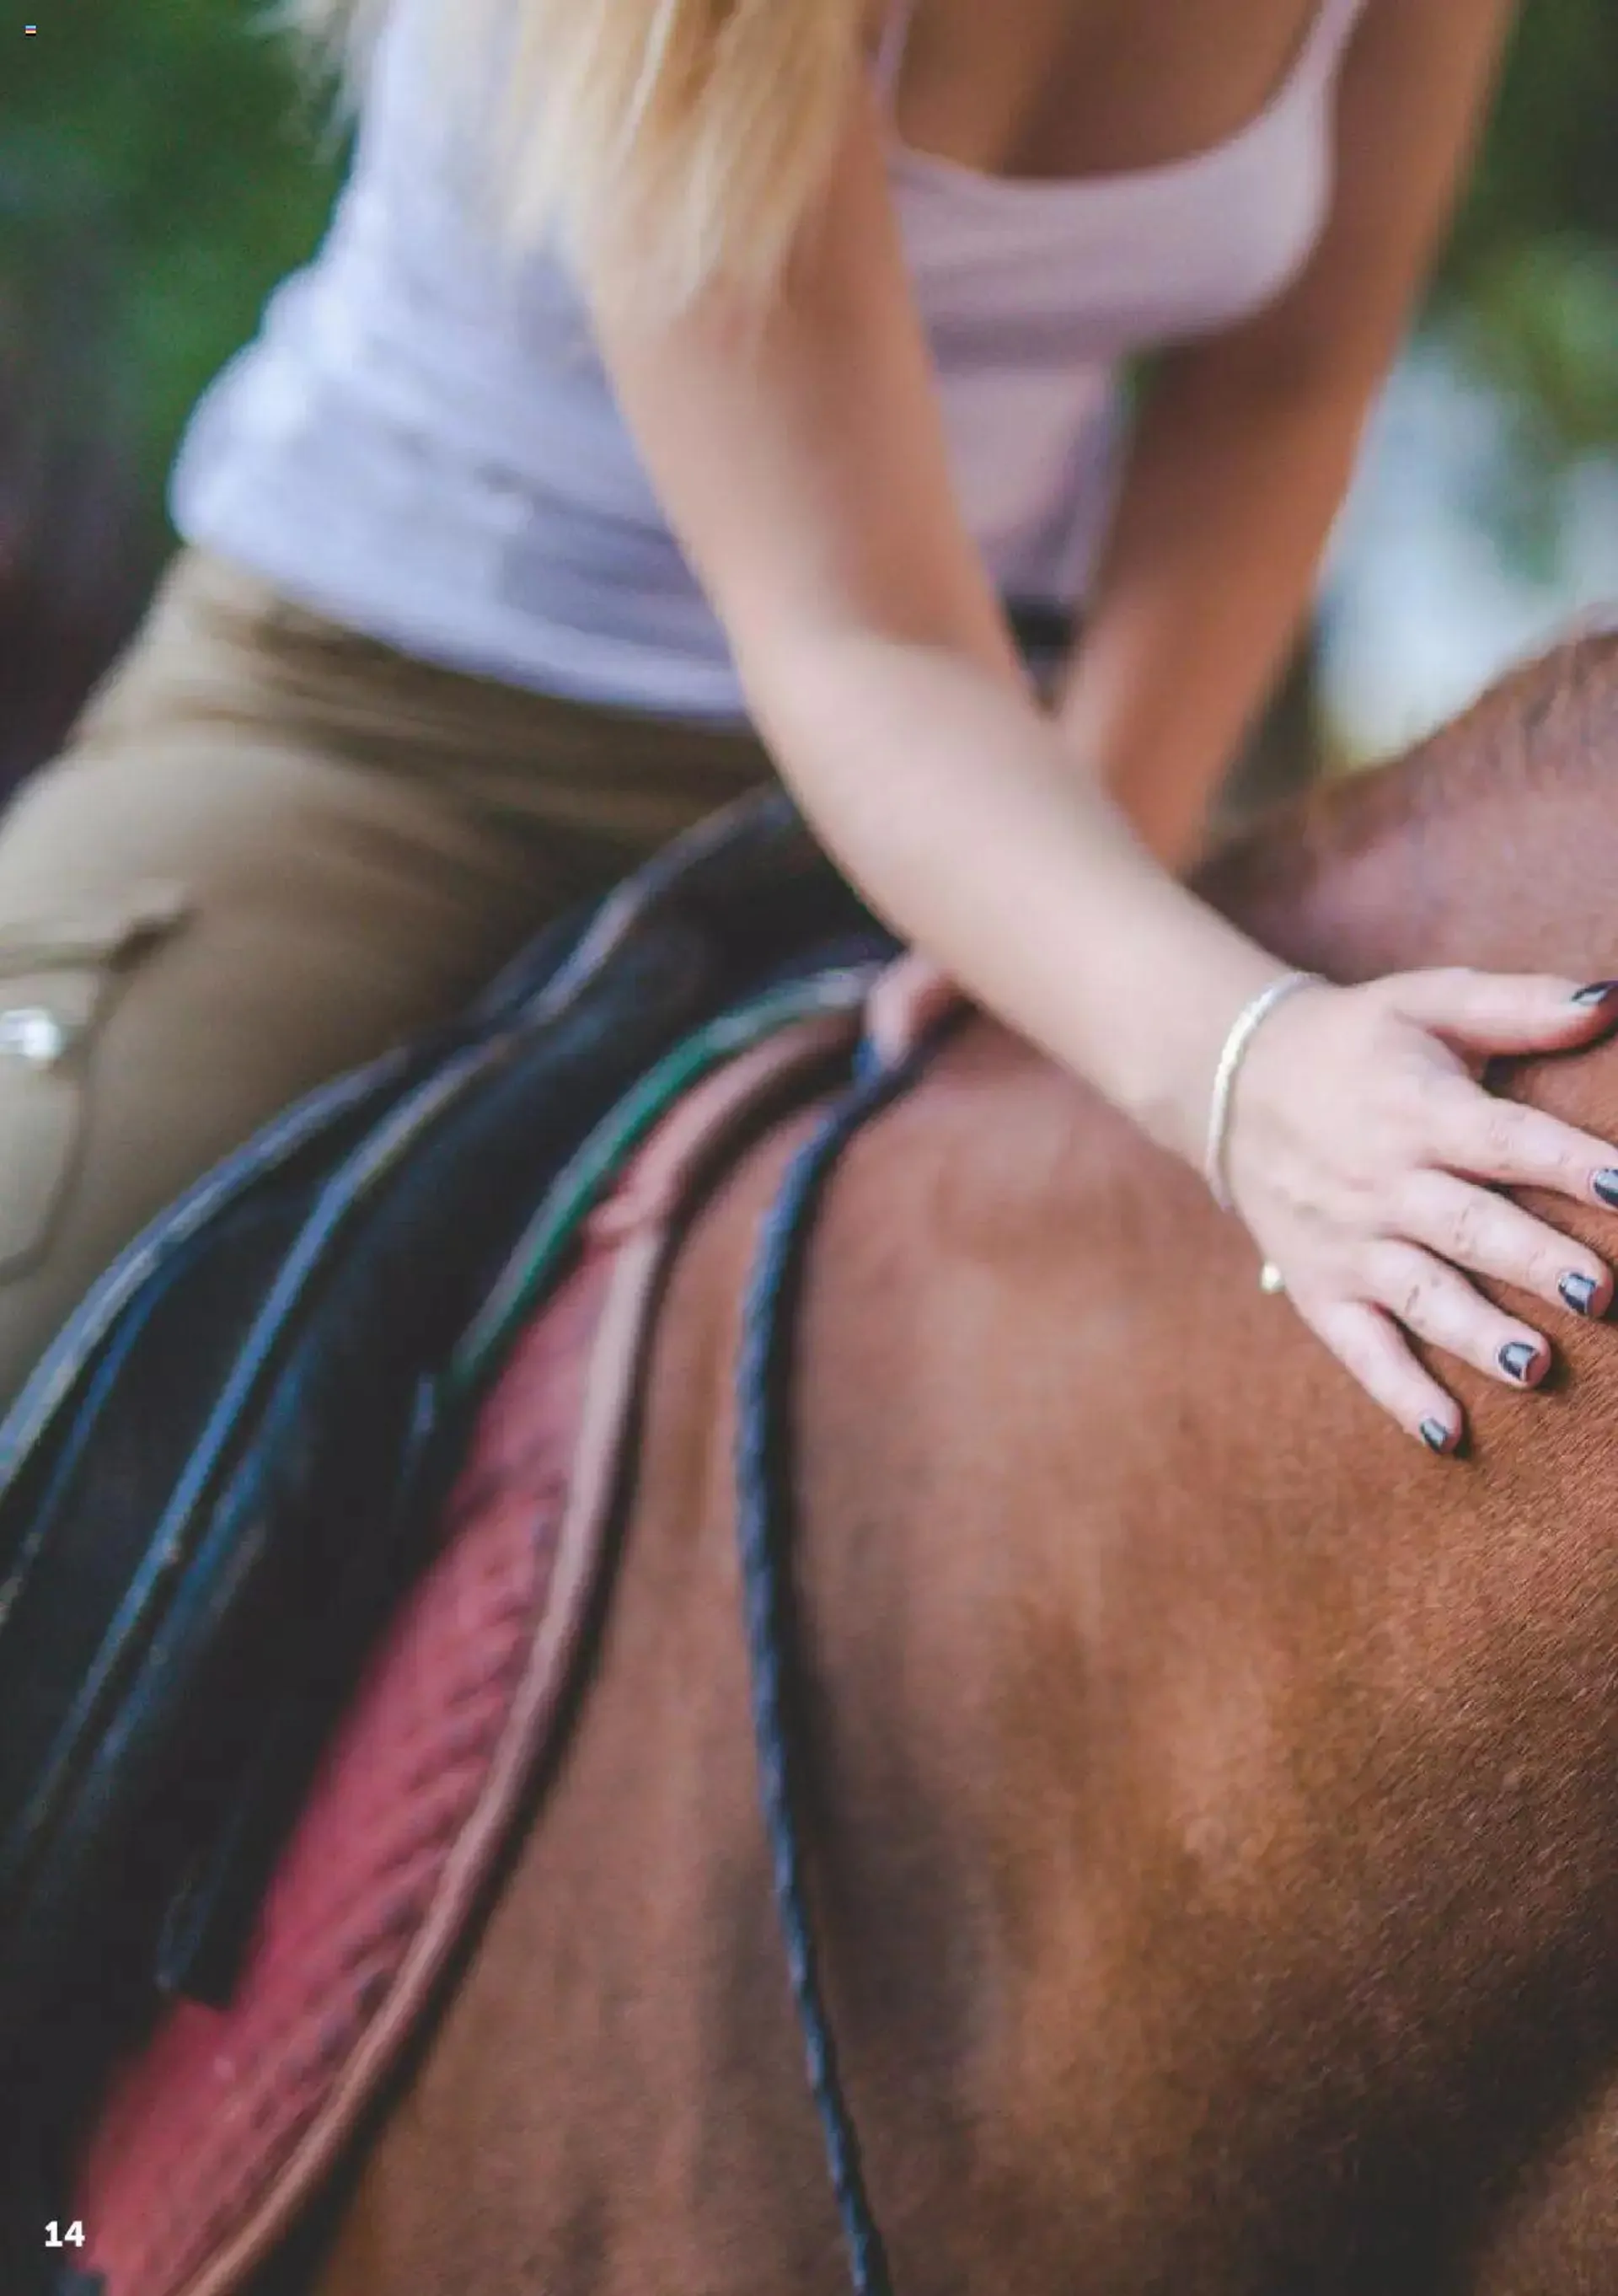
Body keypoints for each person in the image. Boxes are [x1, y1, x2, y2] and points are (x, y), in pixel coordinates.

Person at [0, 0, 1611, 1451]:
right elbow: (856, 635)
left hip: (997, 764)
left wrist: (1091, 860)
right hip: (388, 736)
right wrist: (1243, 1067)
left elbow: (1286, 380)